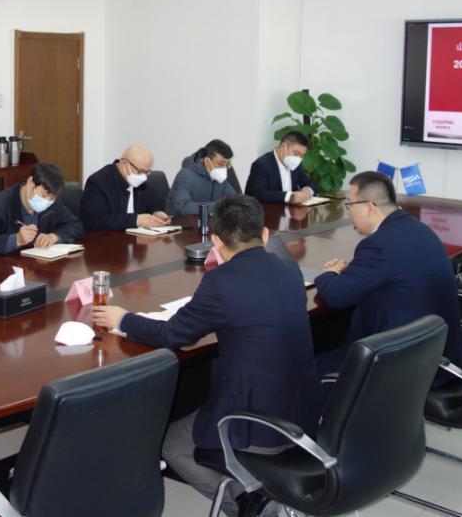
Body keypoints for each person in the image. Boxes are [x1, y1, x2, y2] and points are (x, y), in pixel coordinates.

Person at [93, 195, 320, 515]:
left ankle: (249, 505)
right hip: (303, 415)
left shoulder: (221, 282)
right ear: (265, 234)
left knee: (173, 445)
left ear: (216, 241)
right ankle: (254, 497)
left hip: (256, 424)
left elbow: (173, 335)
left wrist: (123, 319)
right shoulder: (289, 269)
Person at [313, 171, 462, 374]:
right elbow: (392, 269)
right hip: (436, 353)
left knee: (302, 369)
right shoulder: (418, 228)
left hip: (400, 367)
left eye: (350, 205)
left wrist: (330, 273)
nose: (349, 213)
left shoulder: (378, 245)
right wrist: (352, 270)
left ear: (369, 207)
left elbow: (335, 296)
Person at [0, 162, 84, 256]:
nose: (47, 201)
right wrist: (16, 240)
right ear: (30, 183)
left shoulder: (52, 203)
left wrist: (54, 237)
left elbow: (76, 225)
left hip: (40, 266)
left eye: (52, 198)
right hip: (6, 270)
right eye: (44, 195)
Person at [80, 144, 171, 232]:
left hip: (136, 238)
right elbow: (96, 221)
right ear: (124, 164)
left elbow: (149, 205)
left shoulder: (139, 183)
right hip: (107, 239)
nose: (144, 177)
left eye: (147, 172)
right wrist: (136, 220)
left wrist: (155, 213)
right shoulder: (97, 182)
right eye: (141, 171)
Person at [165, 139, 241, 217]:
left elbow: (235, 200)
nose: (224, 168)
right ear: (207, 161)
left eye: (227, 164)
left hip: (207, 221)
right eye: (221, 164)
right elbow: (182, 207)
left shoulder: (219, 177)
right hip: (180, 221)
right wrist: (219, 207)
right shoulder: (185, 175)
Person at [244, 131, 317, 205]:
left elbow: (311, 184)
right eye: (296, 153)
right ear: (283, 147)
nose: (298, 159)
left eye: (302, 156)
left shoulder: (295, 166)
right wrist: (290, 197)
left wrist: (308, 190)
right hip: (267, 210)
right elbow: (258, 194)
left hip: (291, 210)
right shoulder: (261, 165)